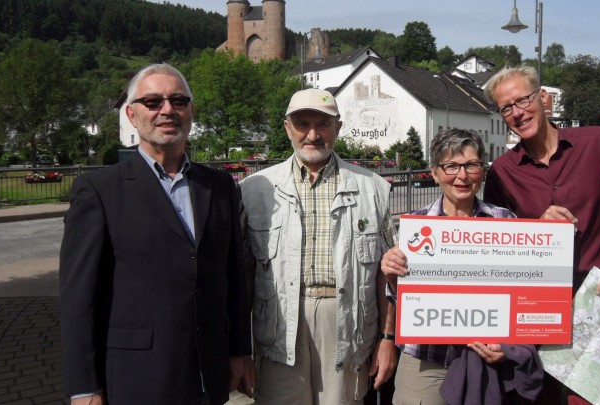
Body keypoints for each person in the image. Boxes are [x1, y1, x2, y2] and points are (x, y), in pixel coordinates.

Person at [59, 63, 251, 405]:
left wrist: (238, 351)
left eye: (178, 101)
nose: (167, 110)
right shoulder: (99, 191)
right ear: (132, 115)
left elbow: (232, 279)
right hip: (138, 377)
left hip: (208, 374)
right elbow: (79, 299)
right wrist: (84, 386)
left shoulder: (219, 186)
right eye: (153, 102)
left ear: (191, 111)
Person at [481, 66, 600, 404]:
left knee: (594, 398)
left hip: (599, 296)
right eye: (506, 108)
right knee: (538, 394)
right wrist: (535, 229)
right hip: (537, 303)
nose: (517, 112)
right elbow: (497, 246)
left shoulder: (598, 142)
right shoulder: (502, 172)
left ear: (543, 99)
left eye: (523, 100)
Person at [238, 88, 398, 404]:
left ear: (338, 127)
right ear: (287, 128)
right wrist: (240, 350)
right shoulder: (255, 190)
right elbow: (242, 275)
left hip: (347, 325)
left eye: (323, 124)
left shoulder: (373, 188)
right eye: (303, 124)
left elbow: (387, 276)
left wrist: (387, 339)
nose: (313, 134)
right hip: (279, 326)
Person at [380, 128, 544, 405]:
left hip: (485, 359)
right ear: (434, 172)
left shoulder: (506, 222)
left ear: (483, 170)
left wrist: (508, 346)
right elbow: (403, 300)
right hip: (425, 358)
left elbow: (523, 296)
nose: (462, 175)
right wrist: (392, 277)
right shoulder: (414, 226)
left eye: (471, 165)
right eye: (451, 166)